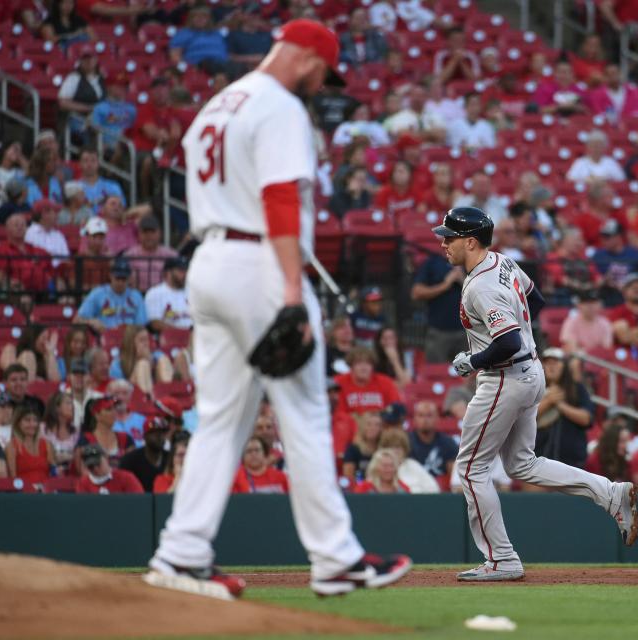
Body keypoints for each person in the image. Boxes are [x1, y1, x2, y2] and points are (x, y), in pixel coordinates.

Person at [145, 20, 412, 600]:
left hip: (210, 263)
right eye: (323, 69)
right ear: (306, 56)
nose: (322, 82)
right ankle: (336, 559)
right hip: (259, 265)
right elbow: (280, 197)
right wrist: (293, 290)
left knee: (219, 419)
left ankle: (181, 553)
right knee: (306, 413)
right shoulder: (280, 107)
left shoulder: (219, 104)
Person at [433, 205, 638, 582]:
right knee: (521, 464)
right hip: (530, 371)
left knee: (471, 469)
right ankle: (609, 493)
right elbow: (535, 299)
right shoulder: (502, 262)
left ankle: (501, 559)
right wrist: (523, 339)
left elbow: (507, 340)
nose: (443, 243)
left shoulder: (481, 284)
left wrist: (474, 360)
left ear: (471, 241)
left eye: (449, 237)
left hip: (505, 378)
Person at [533, 348, 594, 469]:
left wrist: (560, 405)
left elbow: (586, 419)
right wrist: (548, 401)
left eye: (555, 362)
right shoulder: (534, 388)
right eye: (547, 363)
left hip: (572, 461)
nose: (551, 366)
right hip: (537, 458)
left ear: (564, 366)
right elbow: (523, 418)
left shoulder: (577, 389)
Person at [411, 252, 466, 364]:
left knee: (467, 375)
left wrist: (463, 280)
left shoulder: (470, 262)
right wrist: (444, 285)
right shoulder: (433, 262)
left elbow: (485, 295)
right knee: (435, 372)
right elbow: (416, 293)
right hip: (439, 331)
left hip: (467, 332)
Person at [74, 257, 148, 332]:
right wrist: (91, 321)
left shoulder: (136, 296)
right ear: (110, 276)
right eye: (117, 278)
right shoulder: (98, 293)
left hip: (129, 339)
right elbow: (77, 320)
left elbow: (141, 325)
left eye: (123, 279)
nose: (120, 283)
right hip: (104, 337)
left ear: (129, 278)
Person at [334, 347, 402, 416]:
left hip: (379, 424)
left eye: (368, 363)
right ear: (351, 366)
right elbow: (339, 414)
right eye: (359, 363)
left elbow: (395, 409)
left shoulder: (385, 382)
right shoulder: (339, 382)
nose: (364, 368)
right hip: (350, 424)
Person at [408, 399, 458, 484]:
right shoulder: (406, 442)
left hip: (440, 492)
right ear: (414, 419)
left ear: (437, 418)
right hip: (412, 490)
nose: (425, 420)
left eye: (429, 415)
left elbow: (455, 477)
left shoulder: (447, 443)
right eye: (421, 415)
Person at [168, 5, 229, 71]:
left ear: (209, 20)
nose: (200, 19)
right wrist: (187, 69)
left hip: (223, 63)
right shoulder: (184, 33)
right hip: (199, 65)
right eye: (196, 16)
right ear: (190, 19)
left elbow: (226, 52)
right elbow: (175, 55)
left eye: (204, 17)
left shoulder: (217, 34)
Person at [377, 428, 439, 493]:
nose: (395, 451)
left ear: (404, 449)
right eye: (391, 447)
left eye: (398, 447)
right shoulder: (377, 466)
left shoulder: (413, 465)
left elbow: (434, 488)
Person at [78, 395, 134, 467]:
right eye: (108, 409)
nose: (114, 412)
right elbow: (84, 471)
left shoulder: (125, 438)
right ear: (97, 415)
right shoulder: (86, 440)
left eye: (114, 408)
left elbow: (133, 467)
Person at [5, 405, 55, 486]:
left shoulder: (46, 444)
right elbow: (12, 479)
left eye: (35, 420)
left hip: (46, 493)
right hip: (24, 494)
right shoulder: (12, 446)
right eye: (27, 420)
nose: (32, 424)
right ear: (18, 423)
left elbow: (53, 472)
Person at [118, 417, 170, 492]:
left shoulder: (170, 458)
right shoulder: (130, 460)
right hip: (138, 501)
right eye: (155, 433)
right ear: (145, 436)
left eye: (163, 433)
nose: (160, 437)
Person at [75, 443, 143, 494]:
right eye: (91, 466)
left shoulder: (126, 478)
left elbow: (138, 502)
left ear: (106, 458)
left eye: (98, 464)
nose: (95, 469)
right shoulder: (83, 483)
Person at [42, 391, 78, 476]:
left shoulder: (76, 431)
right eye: (68, 403)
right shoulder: (42, 429)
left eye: (72, 404)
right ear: (57, 408)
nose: (72, 407)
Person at [342, 411, 382, 484]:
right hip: (360, 489)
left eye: (377, 425)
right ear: (363, 426)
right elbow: (348, 476)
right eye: (369, 424)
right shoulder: (354, 449)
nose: (372, 428)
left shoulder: (383, 449)